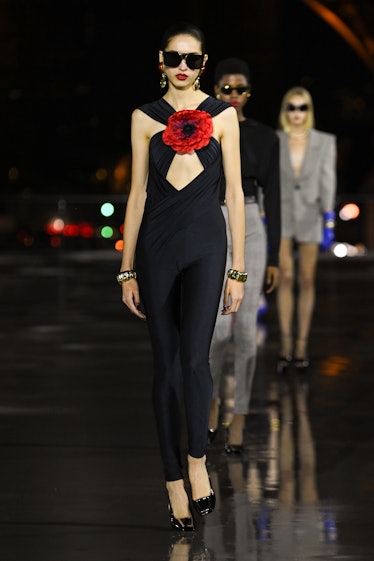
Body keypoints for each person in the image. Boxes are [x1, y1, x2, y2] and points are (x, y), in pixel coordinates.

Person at [117, 22, 246, 531]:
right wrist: (126, 267)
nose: (183, 67)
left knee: (196, 359)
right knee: (165, 367)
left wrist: (238, 269)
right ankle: (172, 478)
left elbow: (234, 194)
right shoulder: (144, 119)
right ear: (161, 61)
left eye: (192, 59)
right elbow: (137, 194)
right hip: (155, 249)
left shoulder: (224, 116)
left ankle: (196, 460)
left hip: (209, 248)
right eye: (175, 58)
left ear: (204, 63)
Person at [208, 58, 281, 453]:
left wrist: (274, 257)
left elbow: (277, 197)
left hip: (252, 219)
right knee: (217, 331)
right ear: (215, 90)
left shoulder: (265, 137)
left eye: (241, 90)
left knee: (246, 333)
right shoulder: (204, 130)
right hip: (214, 219)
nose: (234, 96)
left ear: (248, 93)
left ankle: (238, 417)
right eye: (226, 89)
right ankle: (212, 403)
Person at [276, 86, 337, 374]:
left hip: (311, 214)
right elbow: (269, 179)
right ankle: (286, 346)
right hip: (283, 214)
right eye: (291, 107)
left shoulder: (324, 141)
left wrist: (329, 219)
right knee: (285, 277)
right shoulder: (275, 140)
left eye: (302, 107)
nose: (297, 113)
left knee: (307, 279)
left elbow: (328, 180)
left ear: (309, 110)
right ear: (285, 110)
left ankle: (301, 345)